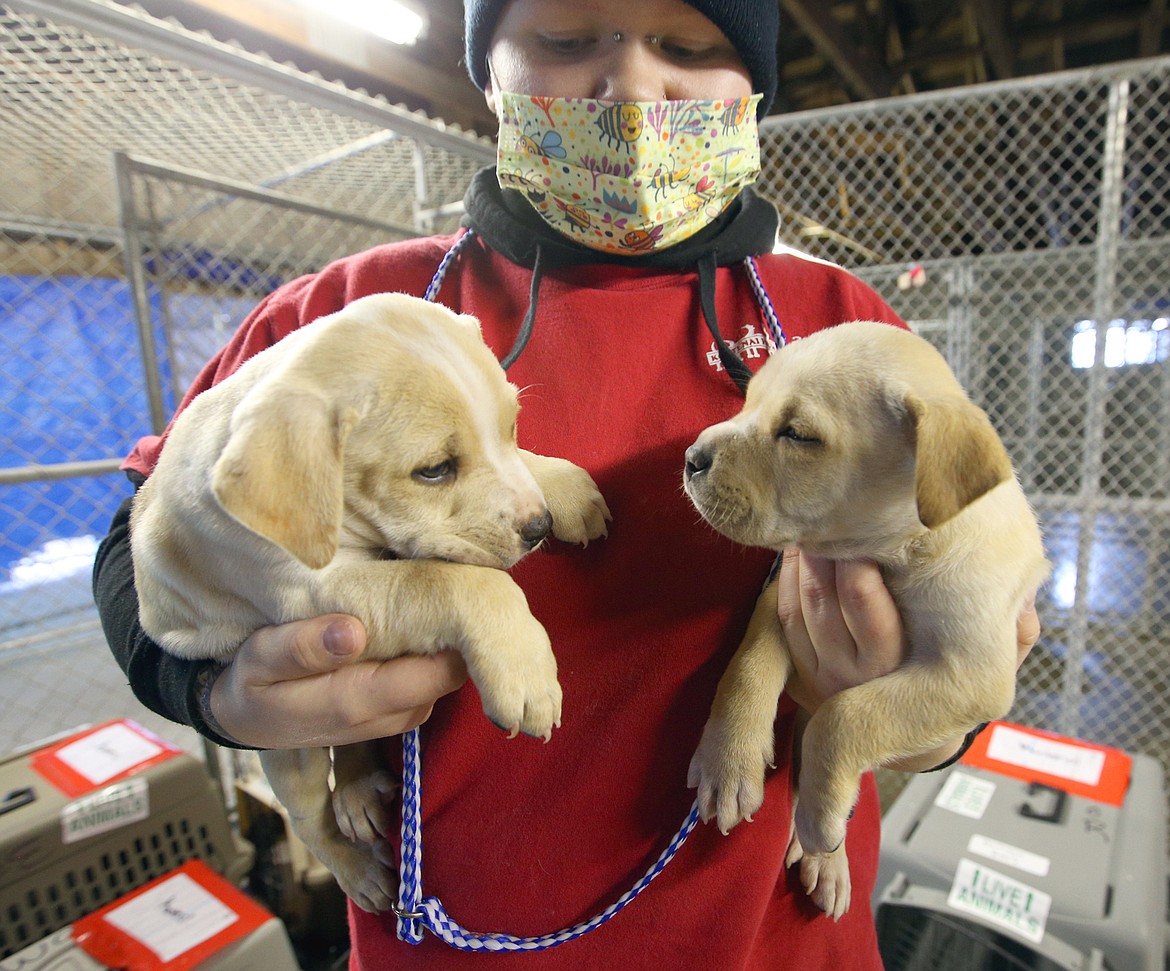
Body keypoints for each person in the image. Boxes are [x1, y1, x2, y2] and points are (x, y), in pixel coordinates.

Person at [93, 0, 1040, 967]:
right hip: (447, 935)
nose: (629, 87)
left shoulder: (842, 329)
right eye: (567, 38)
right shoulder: (352, 316)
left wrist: (924, 731)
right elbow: (146, 537)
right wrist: (214, 692)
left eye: (687, 45)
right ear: (490, 68)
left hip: (772, 938)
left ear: (753, 81)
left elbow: (966, 633)